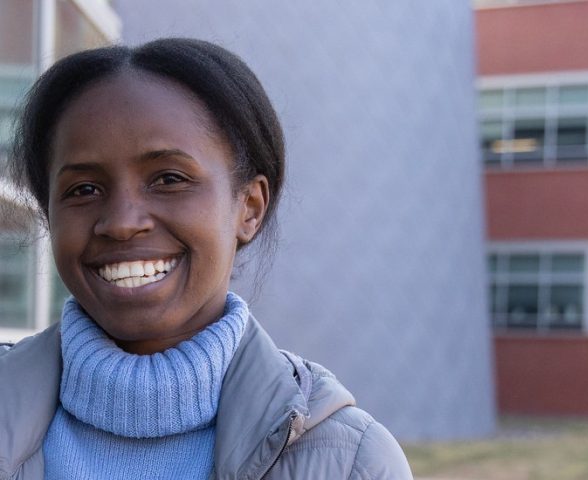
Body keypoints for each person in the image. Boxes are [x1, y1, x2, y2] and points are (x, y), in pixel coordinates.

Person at [0, 38, 413, 479]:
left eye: (169, 179)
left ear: (249, 207)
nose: (121, 223)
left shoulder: (350, 462)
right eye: (83, 189)